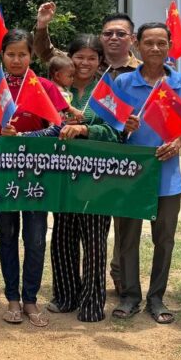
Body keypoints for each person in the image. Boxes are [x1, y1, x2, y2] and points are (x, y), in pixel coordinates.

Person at [0, 29, 68, 327]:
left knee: (35, 239)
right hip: (2, 174)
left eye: (22, 54)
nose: (16, 60)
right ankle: (12, 298)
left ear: (32, 56)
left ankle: (30, 299)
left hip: (37, 175)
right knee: (6, 236)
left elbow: (59, 127)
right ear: (2, 55)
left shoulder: (44, 86)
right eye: (11, 54)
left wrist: (25, 137)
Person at [114, 23, 181, 324]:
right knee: (127, 239)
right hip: (131, 174)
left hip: (167, 175)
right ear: (137, 45)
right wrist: (124, 126)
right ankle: (130, 295)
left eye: (161, 43)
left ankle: (157, 297)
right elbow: (112, 125)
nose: (155, 48)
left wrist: (177, 143)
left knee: (164, 240)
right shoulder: (123, 82)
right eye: (149, 42)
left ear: (170, 45)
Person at [41, 36, 118, 322]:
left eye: (91, 58)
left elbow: (116, 132)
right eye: (79, 57)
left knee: (95, 240)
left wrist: (86, 130)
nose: (85, 63)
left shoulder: (107, 91)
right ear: (70, 58)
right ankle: (65, 296)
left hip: (97, 177)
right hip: (61, 174)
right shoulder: (56, 89)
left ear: (100, 61)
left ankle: (92, 302)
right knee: (63, 236)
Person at [34, 3, 141, 78]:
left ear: (132, 39)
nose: (113, 37)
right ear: (100, 37)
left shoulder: (142, 70)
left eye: (121, 34)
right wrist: (42, 24)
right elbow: (46, 53)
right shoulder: (79, 62)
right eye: (108, 33)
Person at [48, 53, 85, 122]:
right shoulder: (55, 89)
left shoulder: (63, 89)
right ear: (57, 75)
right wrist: (74, 111)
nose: (72, 79)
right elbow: (62, 104)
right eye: (70, 76)